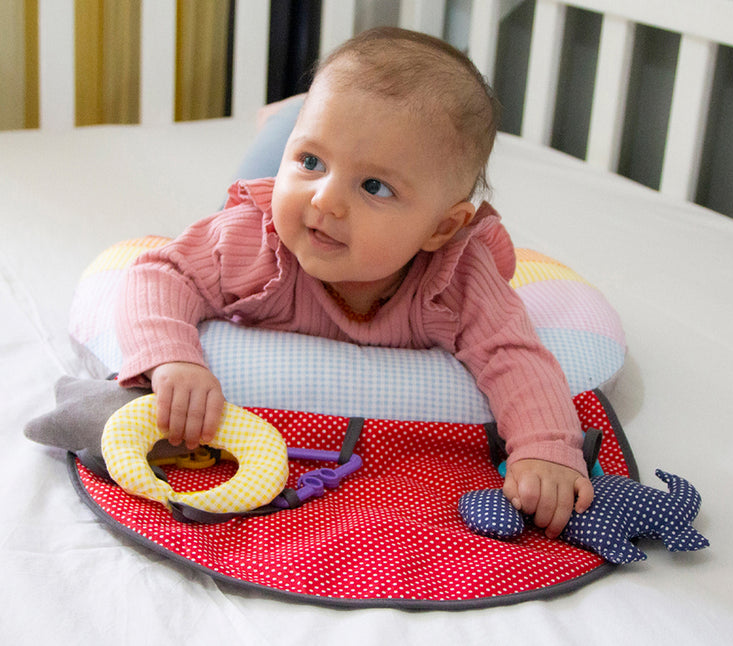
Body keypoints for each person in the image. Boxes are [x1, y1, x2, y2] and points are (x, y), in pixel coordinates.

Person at [115, 27, 593, 538]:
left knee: (333, 141)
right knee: (265, 166)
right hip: (272, 195)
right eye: (312, 161)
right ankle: (284, 128)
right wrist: (174, 358)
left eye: (375, 186)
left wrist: (548, 448)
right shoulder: (253, 241)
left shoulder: (458, 279)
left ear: (440, 228)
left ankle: (294, 129)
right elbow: (161, 274)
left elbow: (513, 355)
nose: (325, 200)